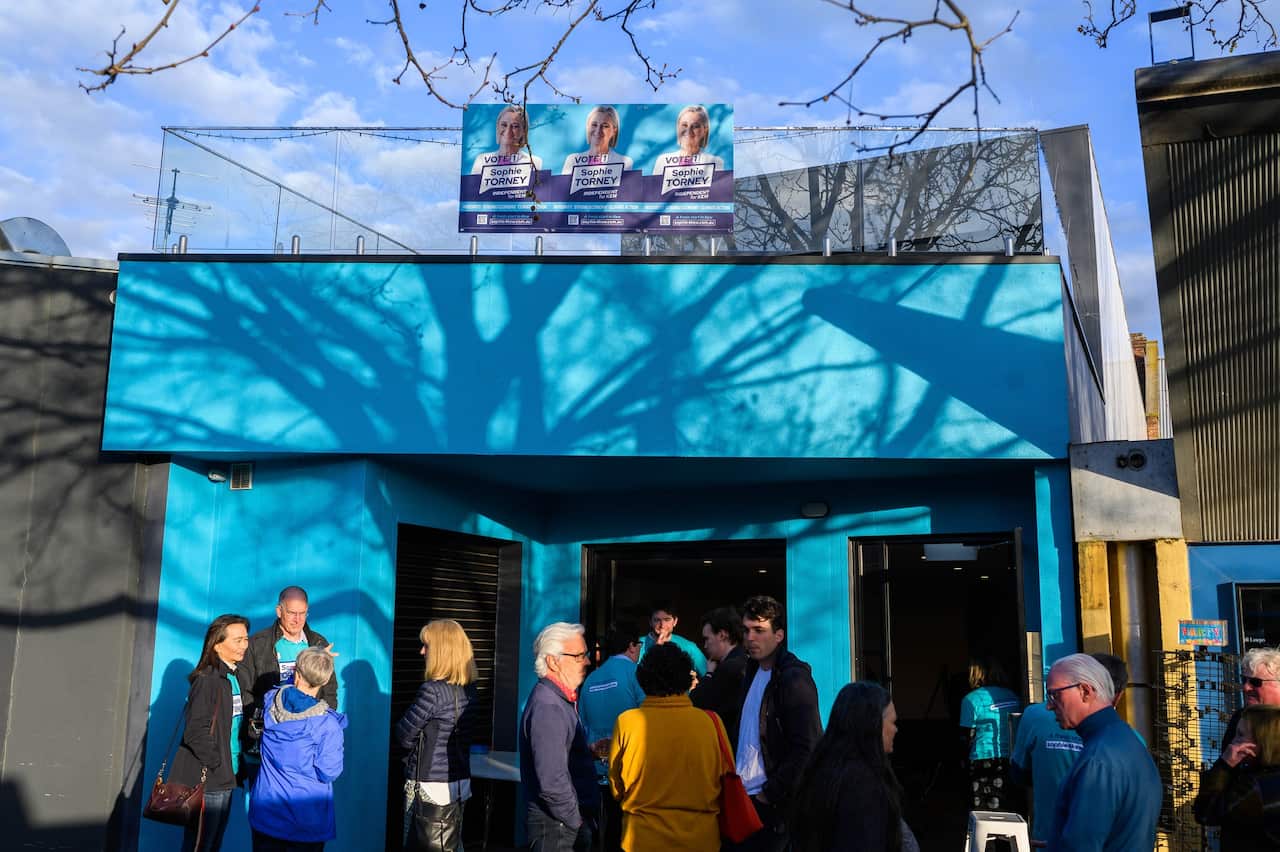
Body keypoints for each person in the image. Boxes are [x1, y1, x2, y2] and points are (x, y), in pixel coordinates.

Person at [608, 643, 731, 852]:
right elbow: (726, 778)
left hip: (642, 840)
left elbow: (616, 788)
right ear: (686, 679)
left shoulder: (627, 722)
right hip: (701, 840)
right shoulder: (711, 722)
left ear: (643, 679)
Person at [730, 595, 822, 852]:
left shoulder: (793, 678)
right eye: (746, 630)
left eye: (759, 630)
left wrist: (770, 793)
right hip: (745, 799)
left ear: (779, 635)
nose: (750, 638)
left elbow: (808, 746)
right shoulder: (751, 671)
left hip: (773, 807)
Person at [1044, 653, 1161, 852]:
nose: (1049, 705)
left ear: (1085, 691)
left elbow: (1081, 846)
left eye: (1055, 695)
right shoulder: (1128, 741)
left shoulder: (1098, 759)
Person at [790, 681, 920, 852]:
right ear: (873, 725)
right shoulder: (863, 785)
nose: (896, 729)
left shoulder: (821, 769)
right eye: (892, 722)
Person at [248, 647, 346, 851]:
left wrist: (313, 660)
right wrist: (320, 662)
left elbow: (290, 692)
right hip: (306, 820)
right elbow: (329, 772)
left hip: (267, 814)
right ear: (325, 681)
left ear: (296, 672)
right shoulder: (328, 726)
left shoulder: (271, 700)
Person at [395, 619, 478, 852]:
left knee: (417, 842)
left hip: (428, 785)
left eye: (426, 646)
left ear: (441, 650)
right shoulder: (471, 690)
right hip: (460, 783)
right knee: (452, 843)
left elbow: (403, 735)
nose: (422, 652)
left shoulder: (432, 691)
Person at [170, 614, 251, 852]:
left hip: (228, 775)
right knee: (201, 845)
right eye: (237, 640)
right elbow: (195, 732)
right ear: (217, 645)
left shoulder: (235, 676)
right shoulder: (207, 680)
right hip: (211, 779)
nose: (244, 645)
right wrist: (217, 763)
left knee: (213, 844)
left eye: (245, 639)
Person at [521, 622, 600, 852]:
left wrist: (585, 752)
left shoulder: (556, 700)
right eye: (579, 656)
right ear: (553, 661)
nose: (587, 661)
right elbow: (551, 781)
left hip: (560, 824)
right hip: (557, 828)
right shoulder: (549, 706)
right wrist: (576, 821)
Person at [239, 586, 338, 768]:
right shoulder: (258, 644)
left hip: (307, 743)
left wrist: (322, 730)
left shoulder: (318, 643)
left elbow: (330, 691)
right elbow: (246, 693)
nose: (297, 619)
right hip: (269, 742)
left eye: (302, 613)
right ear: (279, 611)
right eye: (292, 613)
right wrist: (262, 728)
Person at [1194, 646, 1280, 848]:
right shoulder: (1240, 719)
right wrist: (1224, 766)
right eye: (1244, 680)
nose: (1246, 687)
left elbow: (1207, 812)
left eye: (1255, 682)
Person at [578, 630, 645, 852]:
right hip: (629, 775)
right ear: (632, 646)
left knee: (602, 837)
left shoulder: (590, 679)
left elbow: (582, 725)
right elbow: (649, 716)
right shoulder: (636, 673)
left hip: (598, 772)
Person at [959, 657, 1021, 811]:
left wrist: (962, 762)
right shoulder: (1013, 696)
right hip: (1012, 757)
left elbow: (967, 735)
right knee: (1009, 806)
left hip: (982, 759)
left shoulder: (971, 699)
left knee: (983, 810)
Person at [690, 606, 748, 738]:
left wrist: (709, 674)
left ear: (722, 635)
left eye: (707, 639)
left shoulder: (728, 669)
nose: (705, 645)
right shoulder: (746, 661)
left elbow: (697, 702)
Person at [637, 602, 708, 677]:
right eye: (657, 620)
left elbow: (708, 677)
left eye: (667, 619)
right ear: (650, 622)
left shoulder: (689, 647)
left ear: (675, 621)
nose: (662, 625)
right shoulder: (636, 645)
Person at [650, 105, 725, 175]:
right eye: (684, 125)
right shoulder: (663, 161)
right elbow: (654, 185)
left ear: (705, 130)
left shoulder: (714, 162)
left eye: (695, 126)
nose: (688, 131)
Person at [559, 105, 633, 175]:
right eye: (594, 125)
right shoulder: (573, 160)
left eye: (605, 126)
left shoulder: (624, 162)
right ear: (588, 127)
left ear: (614, 130)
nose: (598, 131)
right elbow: (564, 184)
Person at [470, 105, 543, 174]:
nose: (508, 131)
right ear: (498, 127)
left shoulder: (534, 162)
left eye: (515, 126)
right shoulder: (482, 160)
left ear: (523, 131)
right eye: (504, 125)